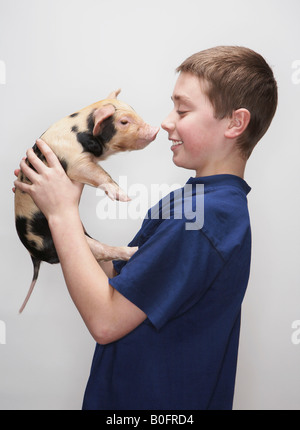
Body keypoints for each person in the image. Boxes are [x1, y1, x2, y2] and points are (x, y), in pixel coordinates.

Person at [14, 46, 278, 410]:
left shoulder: (202, 219)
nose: (167, 121)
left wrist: (62, 216)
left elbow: (106, 321)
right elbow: (120, 282)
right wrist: (55, 209)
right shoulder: (187, 203)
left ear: (235, 123)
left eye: (183, 110)